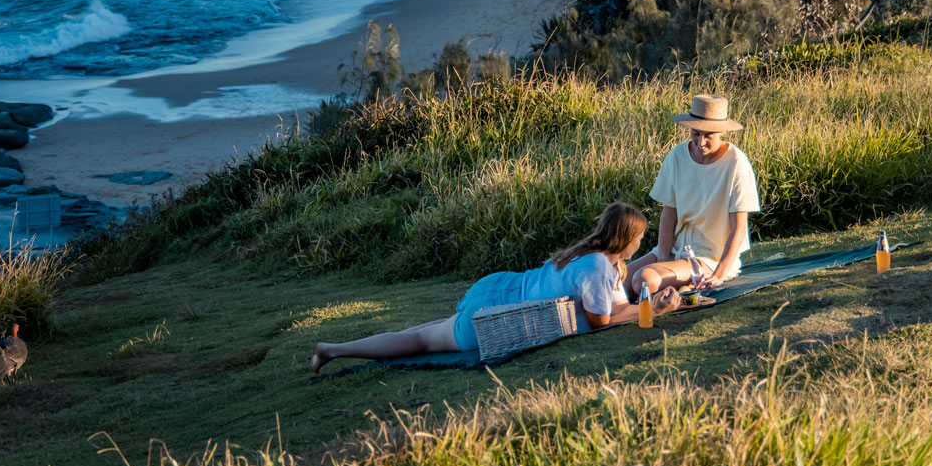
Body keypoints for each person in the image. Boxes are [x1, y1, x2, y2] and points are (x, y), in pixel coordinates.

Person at [310, 203, 680, 372]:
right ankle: (333, 350)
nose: (639, 244)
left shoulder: (586, 254)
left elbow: (612, 304)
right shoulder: (599, 265)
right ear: (628, 237)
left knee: (420, 334)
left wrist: (642, 300)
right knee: (420, 343)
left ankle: (335, 348)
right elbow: (602, 320)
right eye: (640, 238)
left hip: (498, 293)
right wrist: (654, 310)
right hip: (496, 319)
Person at [625, 95, 761, 299]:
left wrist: (719, 274)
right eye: (696, 134)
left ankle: (668, 296)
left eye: (709, 136)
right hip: (674, 251)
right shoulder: (677, 156)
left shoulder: (736, 163)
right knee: (617, 282)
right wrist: (662, 261)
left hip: (708, 259)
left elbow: (739, 227)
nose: (701, 142)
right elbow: (668, 216)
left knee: (643, 279)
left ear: (722, 131)